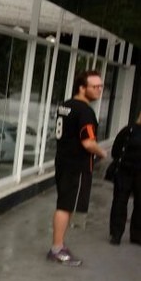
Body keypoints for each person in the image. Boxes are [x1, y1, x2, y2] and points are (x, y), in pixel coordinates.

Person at [48, 70, 108, 266]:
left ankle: (59, 245)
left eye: (101, 86)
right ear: (82, 88)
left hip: (63, 162)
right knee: (65, 206)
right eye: (95, 87)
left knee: (64, 203)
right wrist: (102, 153)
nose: (99, 90)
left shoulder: (65, 105)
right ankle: (57, 249)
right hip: (77, 166)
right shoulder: (85, 111)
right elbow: (88, 143)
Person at [108, 111, 141, 245]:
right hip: (126, 172)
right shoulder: (129, 129)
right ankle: (129, 235)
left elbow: (115, 151)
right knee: (124, 202)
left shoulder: (129, 130)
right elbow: (115, 150)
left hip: (129, 172)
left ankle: (120, 235)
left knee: (125, 202)